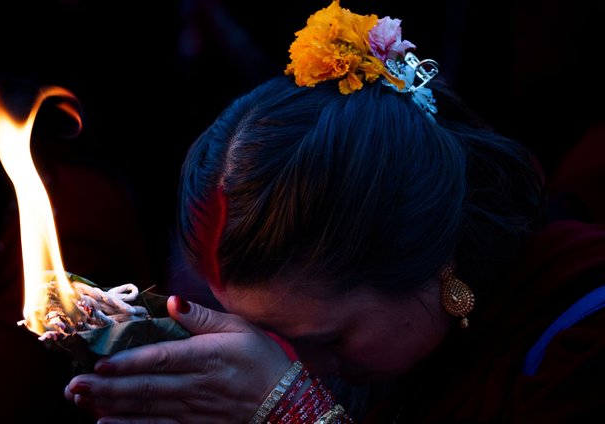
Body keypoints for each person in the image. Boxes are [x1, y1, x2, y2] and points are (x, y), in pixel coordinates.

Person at [64, 1, 605, 422]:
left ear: (429, 254)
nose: (294, 368)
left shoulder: (582, 346)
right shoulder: (403, 363)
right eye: (260, 337)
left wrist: (297, 414)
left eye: (324, 340)